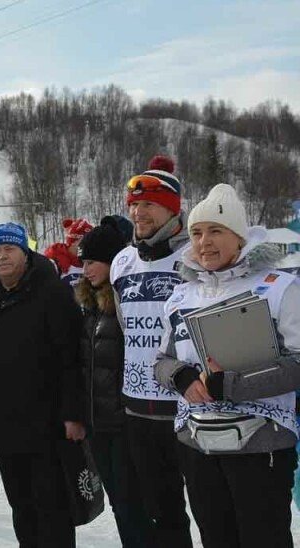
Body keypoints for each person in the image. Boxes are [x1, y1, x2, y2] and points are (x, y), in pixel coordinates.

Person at [154, 184, 300, 548]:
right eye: (196, 233)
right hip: (197, 443)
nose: (204, 242)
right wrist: (180, 377)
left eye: (216, 231)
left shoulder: (280, 288)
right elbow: (161, 362)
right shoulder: (181, 295)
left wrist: (232, 385)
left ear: (239, 238)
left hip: (261, 445)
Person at [0, 222, 84, 547]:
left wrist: (73, 414)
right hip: (2, 425)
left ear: (25, 254)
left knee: (52, 509)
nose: (1, 256)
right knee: (21, 508)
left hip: (46, 425)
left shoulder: (53, 293)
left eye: (9, 249)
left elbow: (72, 357)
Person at [110, 155, 194, 548]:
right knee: (161, 512)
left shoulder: (195, 255)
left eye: (148, 204)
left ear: (172, 209)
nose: (137, 212)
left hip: (189, 407)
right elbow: (126, 327)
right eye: (134, 205)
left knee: (212, 510)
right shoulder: (122, 262)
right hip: (138, 410)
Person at [75, 218, 152, 547]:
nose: (86, 269)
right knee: (120, 503)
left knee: (135, 502)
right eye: (84, 262)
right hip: (98, 423)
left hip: (125, 422)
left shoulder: (124, 302)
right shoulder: (89, 307)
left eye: (93, 261)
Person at [44, 217, 93, 287]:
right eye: (86, 241)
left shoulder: (91, 261)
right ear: (73, 242)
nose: (89, 245)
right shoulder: (55, 261)